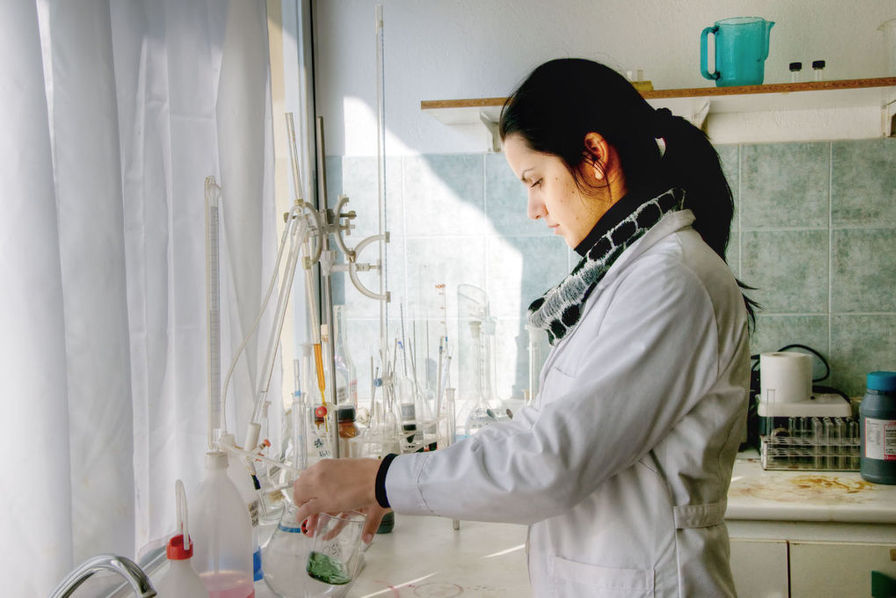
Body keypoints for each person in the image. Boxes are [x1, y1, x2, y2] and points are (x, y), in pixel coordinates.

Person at [293, 58, 753, 597]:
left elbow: (550, 463)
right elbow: (541, 429)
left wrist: (378, 478)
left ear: (596, 156)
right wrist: (390, 481)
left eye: (536, 180)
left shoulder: (670, 279)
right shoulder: (624, 273)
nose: (533, 208)